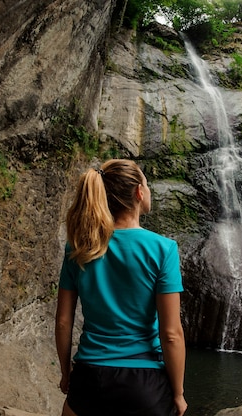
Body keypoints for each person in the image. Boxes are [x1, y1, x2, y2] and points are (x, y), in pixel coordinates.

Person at [55, 159, 188, 416]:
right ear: (139, 192)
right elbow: (171, 333)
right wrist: (178, 393)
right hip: (144, 383)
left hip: (89, 378)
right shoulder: (163, 249)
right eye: (147, 185)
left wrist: (66, 374)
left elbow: (63, 322)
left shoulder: (78, 247)